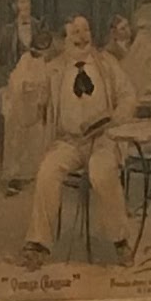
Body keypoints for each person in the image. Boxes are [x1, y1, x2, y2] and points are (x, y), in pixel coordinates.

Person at [26, 14, 134, 259]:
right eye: (75, 32)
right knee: (47, 171)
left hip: (103, 140)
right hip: (68, 142)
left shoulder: (106, 63)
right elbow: (38, 108)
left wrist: (116, 118)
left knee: (101, 171)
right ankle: (38, 243)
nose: (82, 37)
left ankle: (120, 240)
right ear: (64, 39)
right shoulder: (54, 70)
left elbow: (128, 95)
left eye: (85, 30)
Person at [0, 0, 56, 186]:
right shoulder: (8, 31)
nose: (25, 6)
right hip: (16, 88)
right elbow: (1, 60)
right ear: (15, 6)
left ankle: (35, 173)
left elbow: (47, 52)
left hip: (37, 85)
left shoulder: (39, 26)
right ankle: (15, 175)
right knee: (16, 132)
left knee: (36, 131)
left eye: (28, 2)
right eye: (21, 2)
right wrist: (12, 80)